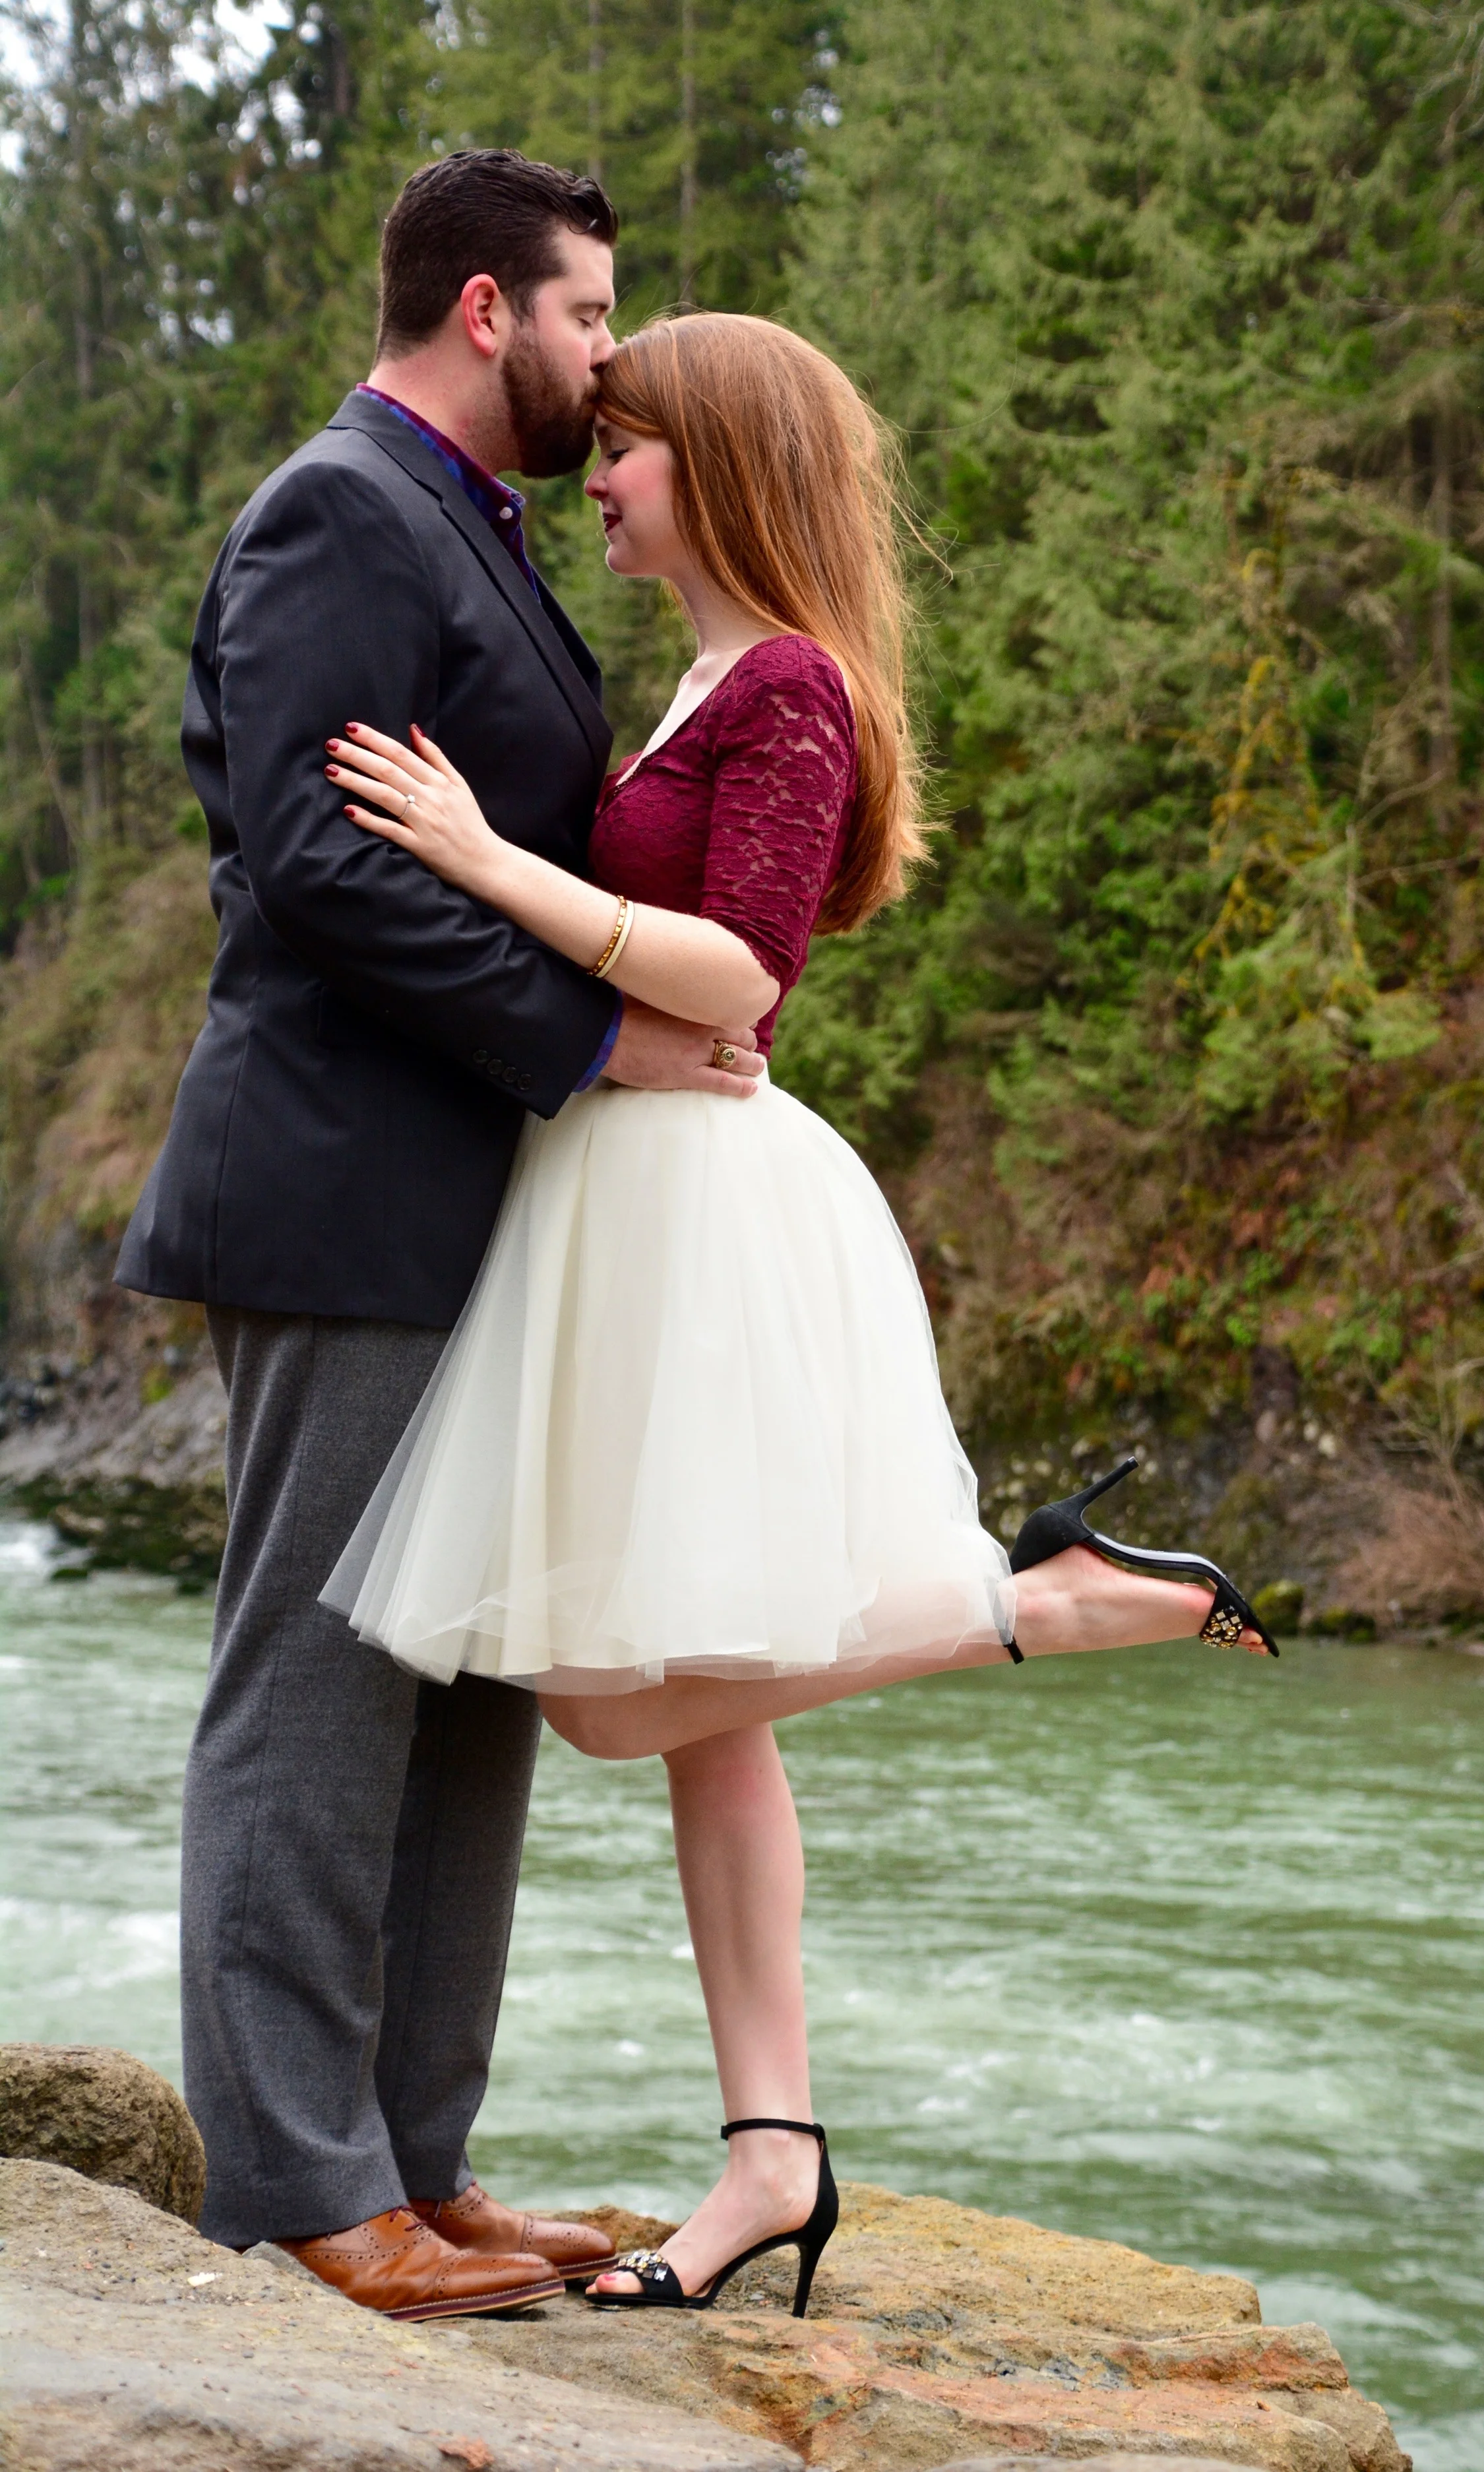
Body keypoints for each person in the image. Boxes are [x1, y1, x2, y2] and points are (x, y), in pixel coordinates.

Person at [319, 309, 1277, 2316]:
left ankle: (1043, 1600)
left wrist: (492, 866)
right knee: (707, 1721)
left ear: (728, 466)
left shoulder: (793, 689)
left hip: (708, 1219)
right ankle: (773, 2154)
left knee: (602, 1698)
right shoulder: (692, 680)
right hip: (618, 1203)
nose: (599, 472)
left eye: (631, 447)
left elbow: (737, 975)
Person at [113, 148, 771, 2320]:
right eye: (591, 315)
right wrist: (589, 1034)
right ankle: (302, 2187)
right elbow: (314, 855)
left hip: (477, 1207)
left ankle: (418, 2156)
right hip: (338, 1184)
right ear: (485, 310)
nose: (610, 355)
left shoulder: (470, 531)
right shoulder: (335, 506)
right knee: (318, 1677)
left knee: (469, 1674)